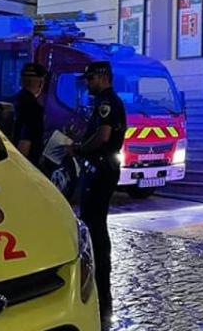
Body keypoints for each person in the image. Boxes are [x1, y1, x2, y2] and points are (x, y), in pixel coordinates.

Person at [68, 60, 125, 319]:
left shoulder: (107, 103)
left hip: (102, 170)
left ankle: (101, 275)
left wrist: (79, 148)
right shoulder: (105, 102)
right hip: (102, 168)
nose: (88, 84)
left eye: (90, 79)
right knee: (92, 221)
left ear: (102, 78)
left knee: (94, 224)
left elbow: (103, 137)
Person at [12, 62, 47, 167]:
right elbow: (24, 143)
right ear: (41, 83)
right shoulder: (34, 109)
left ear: (21, 82)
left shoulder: (13, 100)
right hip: (25, 166)